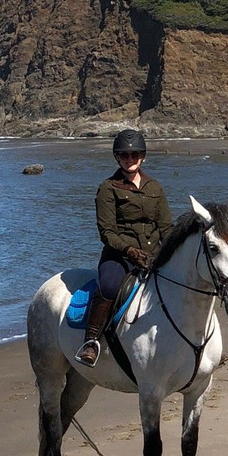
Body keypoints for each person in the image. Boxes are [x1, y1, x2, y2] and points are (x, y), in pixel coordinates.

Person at [76, 129, 173, 367]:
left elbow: (166, 227)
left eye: (134, 154)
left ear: (143, 157)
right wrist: (129, 251)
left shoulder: (155, 188)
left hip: (153, 255)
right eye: (124, 155)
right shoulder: (108, 188)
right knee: (109, 286)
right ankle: (91, 341)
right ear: (117, 158)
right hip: (120, 256)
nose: (130, 159)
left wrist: (173, 250)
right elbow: (107, 232)